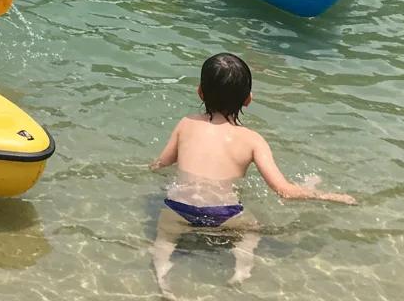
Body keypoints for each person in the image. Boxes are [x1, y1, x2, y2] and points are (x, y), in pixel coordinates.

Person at [150, 53, 355, 296]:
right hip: (224, 214)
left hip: (178, 206)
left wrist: (150, 169)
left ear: (199, 92)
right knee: (251, 230)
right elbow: (284, 191)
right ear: (248, 100)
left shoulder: (186, 123)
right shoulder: (253, 140)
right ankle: (241, 268)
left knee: (164, 238)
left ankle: (162, 275)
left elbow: (162, 163)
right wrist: (326, 195)